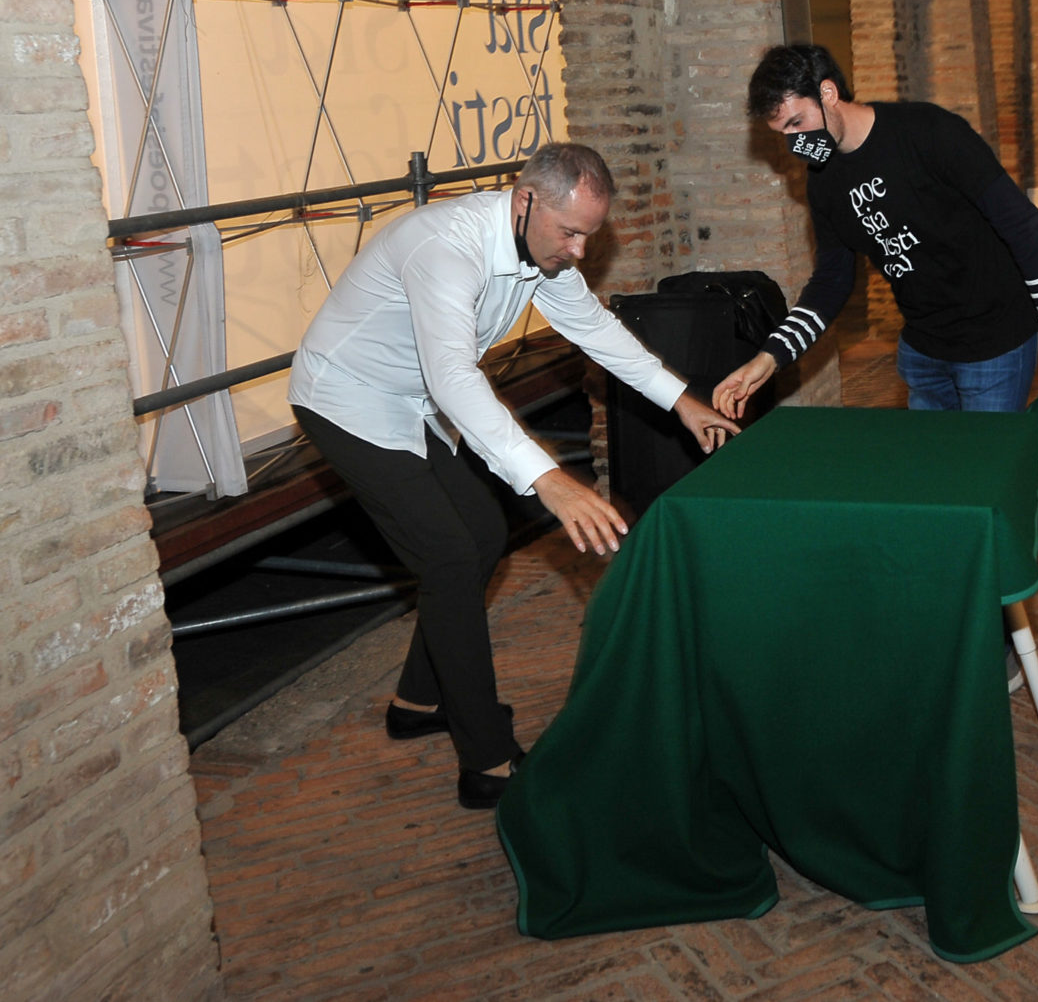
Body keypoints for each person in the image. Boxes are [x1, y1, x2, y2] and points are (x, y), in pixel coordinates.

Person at [287, 143, 740, 810]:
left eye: (590, 235)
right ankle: (486, 761)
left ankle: (418, 698)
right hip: (344, 398)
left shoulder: (541, 249)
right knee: (447, 554)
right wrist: (547, 477)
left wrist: (682, 398)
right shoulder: (444, 248)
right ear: (525, 201)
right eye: (571, 232)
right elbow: (454, 379)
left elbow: (596, 331)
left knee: (483, 529)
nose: (580, 252)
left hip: (409, 401)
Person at [714, 43, 1038, 419]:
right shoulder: (824, 182)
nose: (795, 142)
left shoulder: (928, 131)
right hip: (923, 350)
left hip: (993, 342)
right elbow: (831, 281)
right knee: (931, 474)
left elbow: (1021, 226)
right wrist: (770, 356)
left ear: (827, 93)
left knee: (987, 472)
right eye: (783, 132)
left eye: (797, 122)